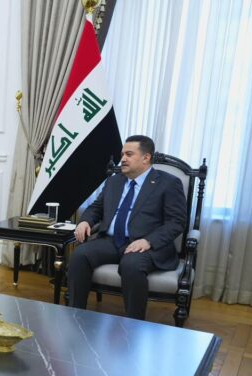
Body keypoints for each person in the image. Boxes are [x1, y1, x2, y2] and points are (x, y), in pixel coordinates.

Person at [67, 135, 187, 320]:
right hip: (111, 241)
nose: (122, 159)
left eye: (129, 154)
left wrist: (148, 241)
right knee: (79, 255)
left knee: (131, 265)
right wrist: (85, 221)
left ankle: (134, 323)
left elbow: (176, 222)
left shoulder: (168, 183)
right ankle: (75, 315)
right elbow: (96, 207)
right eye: (122, 154)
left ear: (146, 158)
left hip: (145, 245)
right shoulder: (114, 181)